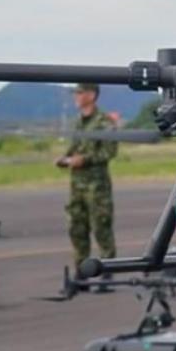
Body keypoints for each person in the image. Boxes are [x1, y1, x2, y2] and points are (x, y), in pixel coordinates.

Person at [58, 82, 118, 272]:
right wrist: (64, 159)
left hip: (97, 186)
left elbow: (109, 152)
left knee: (101, 229)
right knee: (77, 228)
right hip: (77, 185)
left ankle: (107, 271)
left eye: (80, 92)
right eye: (76, 93)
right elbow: (73, 148)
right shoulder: (78, 122)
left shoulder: (104, 123)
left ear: (91, 95)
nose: (76, 96)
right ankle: (82, 271)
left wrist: (84, 160)